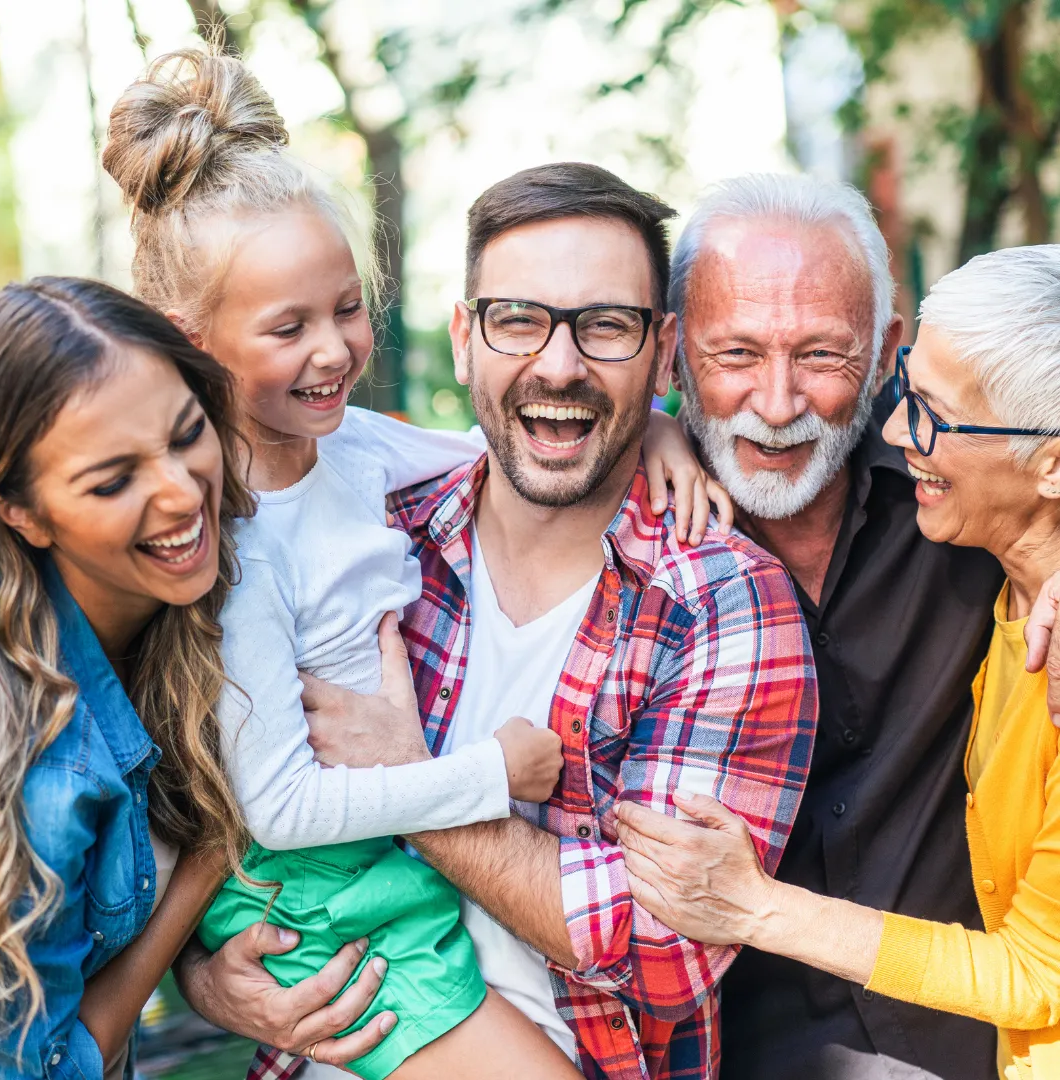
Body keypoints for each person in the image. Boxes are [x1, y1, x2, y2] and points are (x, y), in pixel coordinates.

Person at [102, 57, 720, 1079]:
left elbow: (524, 437)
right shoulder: (240, 546)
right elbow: (280, 806)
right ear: (192, 343)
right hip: (314, 884)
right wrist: (489, 776)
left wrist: (656, 428)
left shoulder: (350, 451)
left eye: (346, 308)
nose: (336, 349)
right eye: (288, 328)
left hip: (374, 868)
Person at [275, 162, 819, 1080]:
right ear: (463, 339)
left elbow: (666, 947)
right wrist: (207, 978)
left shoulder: (724, 603)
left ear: (663, 349)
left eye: (606, 326)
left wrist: (408, 781)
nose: (558, 365)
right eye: (518, 320)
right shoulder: (372, 540)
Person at [617, 243, 1060, 1080]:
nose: (898, 430)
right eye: (906, 392)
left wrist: (755, 907)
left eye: (927, 411)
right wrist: (652, 423)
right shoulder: (1012, 594)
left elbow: (1039, 974)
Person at [0, 277, 389, 1079]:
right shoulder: (35, 776)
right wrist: (209, 862)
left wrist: (658, 435)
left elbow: (371, 448)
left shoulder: (209, 585)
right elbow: (44, 1066)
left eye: (186, 433)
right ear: (18, 513)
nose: (180, 493)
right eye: (112, 481)